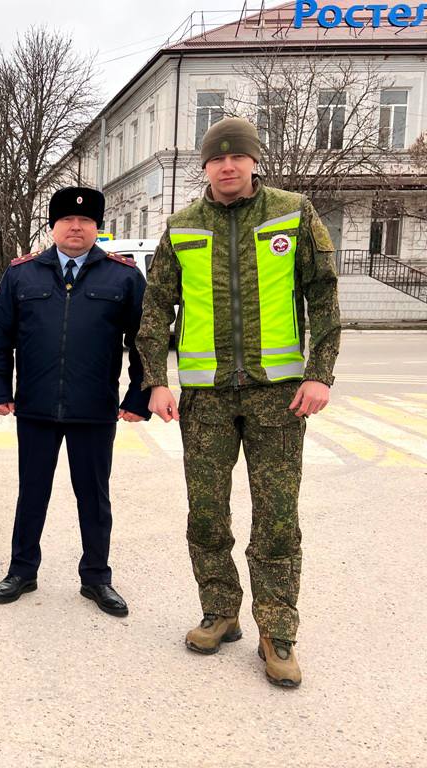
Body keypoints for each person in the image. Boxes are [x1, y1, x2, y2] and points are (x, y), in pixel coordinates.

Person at [136, 117, 341, 688]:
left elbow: (324, 295)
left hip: (279, 397)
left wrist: (320, 373)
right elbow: (155, 308)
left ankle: (277, 632)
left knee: (277, 518)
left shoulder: (293, 213)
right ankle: (220, 610)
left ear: (253, 161)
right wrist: (156, 380)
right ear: (205, 166)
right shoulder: (182, 225)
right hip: (205, 400)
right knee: (206, 513)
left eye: (238, 157)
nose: (227, 166)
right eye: (217, 158)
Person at [0, 187, 150, 615]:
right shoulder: (22, 275)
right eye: (67, 220)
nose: (76, 227)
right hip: (35, 406)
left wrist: (139, 396)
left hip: (94, 408)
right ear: (53, 226)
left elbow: (145, 341)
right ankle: (22, 570)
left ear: (97, 227)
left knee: (94, 497)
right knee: (31, 493)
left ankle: (96, 577)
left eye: (86, 221)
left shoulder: (123, 277)